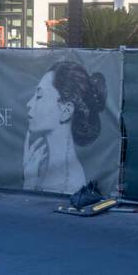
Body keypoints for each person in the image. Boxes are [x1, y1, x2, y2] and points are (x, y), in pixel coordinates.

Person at [23, 60, 106, 193]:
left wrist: (28, 184)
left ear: (66, 111)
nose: (29, 103)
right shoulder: (42, 164)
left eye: (39, 96)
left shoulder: (68, 182)